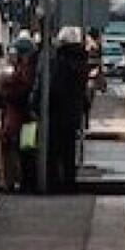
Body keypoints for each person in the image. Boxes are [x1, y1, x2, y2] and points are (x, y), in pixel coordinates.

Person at [48, 28, 90, 192]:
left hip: (59, 111)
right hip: (74, 111)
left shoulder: (62, 60)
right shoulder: (81, 59)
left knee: (56, 149)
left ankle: (57, 183)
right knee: (69, 150)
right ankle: (69, 182)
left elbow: (56, 87)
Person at [0, 36, 38, 193]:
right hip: (20, 117)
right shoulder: (25, 68)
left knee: (24, 150)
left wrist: (7, 88)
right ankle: (19, 180)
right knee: (22, 149)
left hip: (22, 118)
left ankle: (22, 181)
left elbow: (22, 91)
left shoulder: (27, 69)